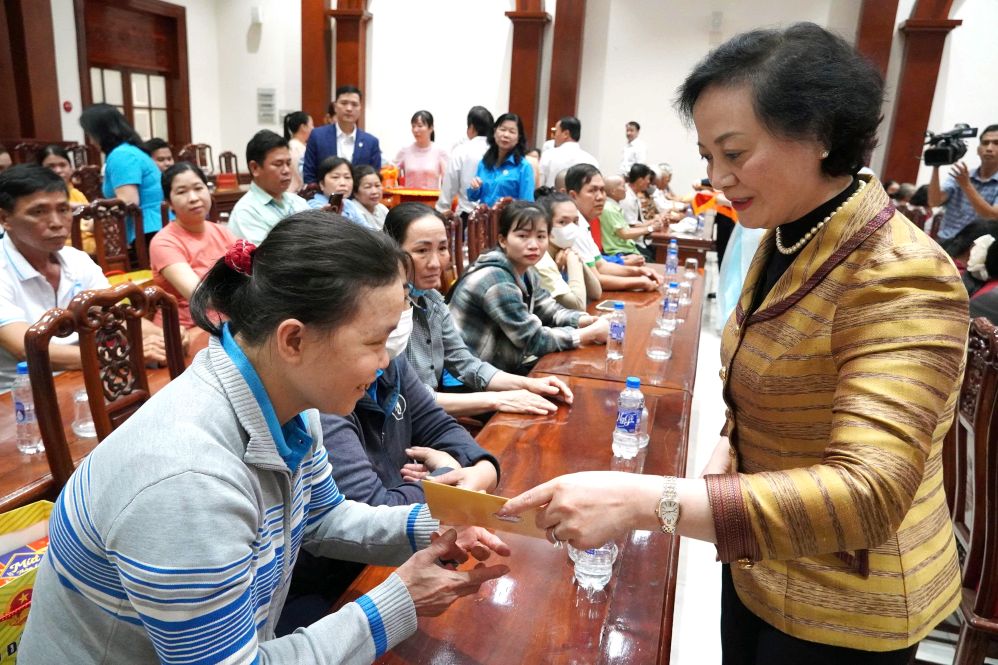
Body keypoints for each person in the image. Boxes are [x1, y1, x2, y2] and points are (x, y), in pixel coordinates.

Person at [501, 23, 969, 664]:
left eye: (736, 152)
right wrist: (732, 438)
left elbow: (870, 493)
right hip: (758, 553)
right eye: (708, 156)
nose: (719, 177)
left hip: (847, 600)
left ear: (821, 134)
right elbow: (776, 372)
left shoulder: (897, 273)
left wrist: (645, 501)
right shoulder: (786, 230)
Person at [18, 211, 511, 663]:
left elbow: (322, 515)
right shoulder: (188, 481)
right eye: (375, 342)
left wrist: (432, 526)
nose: (388, 362)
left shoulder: (288, 398)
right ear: (294, 339)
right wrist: (400, 599)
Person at [384, 202, 577, 417]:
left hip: (430, 416)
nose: (435, 263)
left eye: (442, 248)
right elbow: (405, 398)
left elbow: (465, 361)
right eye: (421, 250)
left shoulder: (432, 301)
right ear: (392, 252)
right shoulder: (384, 313)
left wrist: (529, 384)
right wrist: (498, 399)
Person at [0, 164, 167, 388]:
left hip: (84, 377)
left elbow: (115, 315)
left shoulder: (76, 259)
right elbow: (26, 347)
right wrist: (115, 357)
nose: (57, 223)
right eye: (38, 212)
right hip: (20, 395)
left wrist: (164, 338)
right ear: (4, 218)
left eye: (63, 209)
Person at [448, 200, 609, 374]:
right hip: (467, 379)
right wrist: (589, 334)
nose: (533, 245)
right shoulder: (496, 281)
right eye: (523, 236)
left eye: (540, 236)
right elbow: (533, 339)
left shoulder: (526, 270)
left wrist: (585, 320)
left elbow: (550, 310)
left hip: (498, 367)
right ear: (503, 240)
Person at [150, 162, 236, 328]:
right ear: (169, 202)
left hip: (227, 321)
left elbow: (250, 271)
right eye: (182, 192)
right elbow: (200, 296)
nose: (194, 198)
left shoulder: (222, 232)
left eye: (198, 188)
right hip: (186, 330)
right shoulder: (164, 242)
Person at [565, 164, 662, 291]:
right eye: (592, 190)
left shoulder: (583, 223)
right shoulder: (572, 228)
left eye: (602, 190)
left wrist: (638, 271)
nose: (600, 197)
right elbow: (596, 280)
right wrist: (639, 282)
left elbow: (601, 265)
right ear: (573, 196)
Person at [79, 104, 164, 244]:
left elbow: (128, 202)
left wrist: (97, 221)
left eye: (90, 135)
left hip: (147, 230)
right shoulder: (129, 151)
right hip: (152, 226)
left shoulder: (121, 155)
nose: (91, 141)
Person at [228, 130, 309, 243]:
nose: (286, 170)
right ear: (255, 168)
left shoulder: (297, 201)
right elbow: (264, 258)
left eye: (288, 163)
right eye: (278, 164)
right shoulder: (246, 212)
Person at [928, 124, 998, 253]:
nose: (989, 148)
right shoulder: (961, 175)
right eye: (985, 143)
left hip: (977, 251)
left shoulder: (963, 177)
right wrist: (935, 166)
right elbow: (934, 201)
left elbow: (992, 215)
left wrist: (966, 185)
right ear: (978, 150)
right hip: (946, 242)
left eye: (996, 143)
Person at [535, 191, 602, 311]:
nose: (572, 228)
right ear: (545, 226)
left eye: (575, 221)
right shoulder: (541, 259)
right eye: (562, 222)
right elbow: (578, 306)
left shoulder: (563, 249)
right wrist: (573, 261)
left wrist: (577, 258)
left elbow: (596, 292)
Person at [302, 85, 382, 182]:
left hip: (357, 197)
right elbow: (309, 174)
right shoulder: (317, 136)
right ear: (335, 107)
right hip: (322, 196)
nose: (349, 108)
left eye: (354, 104)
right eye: (344, 103)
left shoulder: (371, 142)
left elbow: (374, 178)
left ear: (360, 108)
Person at [435, 106, 493, 217]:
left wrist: (442, 208)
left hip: (468, 215)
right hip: (495, 217)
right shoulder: (500, 151)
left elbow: (450, 183)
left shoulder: (461, 150)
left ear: (471, 128)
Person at [467, 113, 535, 206]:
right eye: (502, 129)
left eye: (512, 131)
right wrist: (474, 188)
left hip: (508, 219)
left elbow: (527, 204)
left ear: (518, 137)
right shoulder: (484, 162)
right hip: (485, 218)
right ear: (494, 132)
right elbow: (473, 197)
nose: (506, 135)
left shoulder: (523, 167)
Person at [601, 173, 659, 262]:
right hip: (619, 252)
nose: (626, 190)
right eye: (623, 186)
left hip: (626, 248)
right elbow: (624, 233)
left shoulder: (614, 206)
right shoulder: (609, 209)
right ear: (613, 191)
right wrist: (651, 228)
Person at [307, 156, 370, 227]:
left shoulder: (349, 204)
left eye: (347, 177)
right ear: (322, 184)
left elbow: (368, 230)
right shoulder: (312, 205)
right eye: (335, 177)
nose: (343, 183)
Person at [538, 116, 599, 188]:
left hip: (552, 198)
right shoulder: (591, 160)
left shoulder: (548, 155)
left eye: (556, 131)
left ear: (566, 134)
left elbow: (540, 184)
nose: (554, 136)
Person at [394, 110, 447, 191]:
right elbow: (391, 173)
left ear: (431, 128)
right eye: (413, 126)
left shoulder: (440, 152)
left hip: (431, 200)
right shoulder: (405, 151)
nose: (415, 130)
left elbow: (448, 180)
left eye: (420, 126)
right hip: (408, 201)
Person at [284, 110, 313, 193]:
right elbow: (299, 174)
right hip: (295, 193)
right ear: (303, 127)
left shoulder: (303, 146)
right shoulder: (294, 148)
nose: (313, 128)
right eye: (311, 125)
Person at [353, 164, 389, 230]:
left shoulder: (382, 209)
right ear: (355, 192)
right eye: (368, 187)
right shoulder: (352, 212)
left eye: (377, 185)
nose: (374, 191)